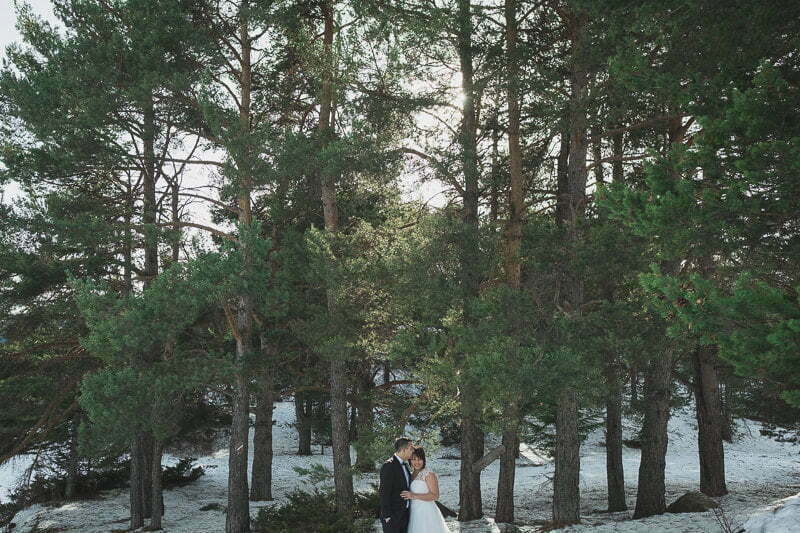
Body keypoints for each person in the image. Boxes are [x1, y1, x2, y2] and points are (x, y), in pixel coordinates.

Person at [401, 446, 451, 533]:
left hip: (426, 512)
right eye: (414, 459)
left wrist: (413, 495)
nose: (417, 462)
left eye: (419, 459)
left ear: (424, 460)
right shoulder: (410, 475)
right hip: (413, 512)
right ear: (410, 460)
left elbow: (435, 496)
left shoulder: (429, 474)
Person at [379, 437, 415, 533]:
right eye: (411, 448)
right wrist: (387, 516)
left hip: (405, 515)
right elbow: (384, 492)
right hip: (393, 517)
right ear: (403, 449)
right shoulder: (389, 466)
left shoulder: (406, 465)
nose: (413, 451)